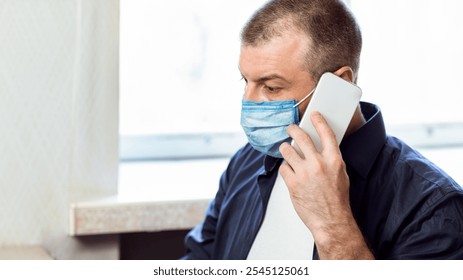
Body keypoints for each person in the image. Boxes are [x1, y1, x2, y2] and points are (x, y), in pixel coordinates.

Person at [182, 0, 463, 259]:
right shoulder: (247, 161)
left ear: (339, 84)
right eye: (246, 81)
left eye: (271, 87)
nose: (249, 102)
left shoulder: (433, 207)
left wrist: (332, 223)